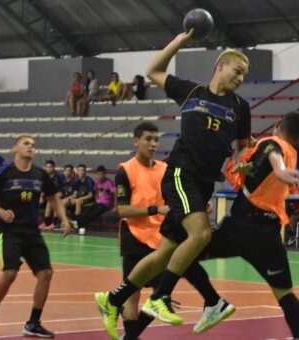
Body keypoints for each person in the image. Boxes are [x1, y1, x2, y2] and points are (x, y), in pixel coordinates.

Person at [94, 30, 251, 333]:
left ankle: (113, 299)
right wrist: (180, 41)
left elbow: (243, 146)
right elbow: (153, 71)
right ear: (220, 66)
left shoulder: (240, 107)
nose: (241, 77)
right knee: (202, 233)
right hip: (181, 173)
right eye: (238, 70)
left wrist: (242, 162)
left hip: (205, 182)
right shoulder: (191, 92)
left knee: (166, 251)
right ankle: (161, 296)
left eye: (244, 74)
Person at [96, 122, 235, 339]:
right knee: (132, 295)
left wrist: (195, 206)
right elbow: (122, 210)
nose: (153, 144)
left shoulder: (165, 169)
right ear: (136, 141)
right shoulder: (126, 170)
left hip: (159, 237)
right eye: (148, 139)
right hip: (134, 236)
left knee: (161, 295)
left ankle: (127, 330)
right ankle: (129, 333)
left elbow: (179, 196)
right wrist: (155, 209)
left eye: (156, 140)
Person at [194, 112, 299, 340]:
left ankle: (212, 301)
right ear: (298, 138)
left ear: (277, 125)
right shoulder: (291, 152)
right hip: (269, 236)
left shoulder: (272, 145)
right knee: (285, 295)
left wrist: (281, 172)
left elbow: (275, 161)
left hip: (242, 227)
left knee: (185, 256)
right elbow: (270, 162)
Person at [0, 134, 71, 338]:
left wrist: (64, 218)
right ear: (15, 149)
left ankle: (33, 323)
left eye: (33, 145)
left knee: (46, 273)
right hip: (10, 231)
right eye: (26, 144)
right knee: (10, 273)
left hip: (32, 232)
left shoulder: (40, 174)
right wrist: (0, 212)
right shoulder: (3, 172)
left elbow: (53, 198)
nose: (31, 147)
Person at [76, 165, 114, 230]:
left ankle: (80, 225)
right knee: (87, 210)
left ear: (105, 174)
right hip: (98, 202)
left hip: (107, 204)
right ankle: (77, 223)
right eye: (99, 174)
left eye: (102, 174)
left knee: (94, 213)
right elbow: (96, 191)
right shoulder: (96, 181)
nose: (101, 176)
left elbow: (114, 193)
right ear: (96, 174)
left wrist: (114, 206)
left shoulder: (109, 182)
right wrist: (97, 199)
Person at [40, 160, 65, 230]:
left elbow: (62, 190)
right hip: (48, 196)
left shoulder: (59, 176)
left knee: (51, 202)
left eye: (51, 167)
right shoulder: (44, 176)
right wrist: (41, 196)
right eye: (47, 167)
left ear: (54, 168)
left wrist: (57, 195)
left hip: (58, 195)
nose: (49, 168)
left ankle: (53, 223)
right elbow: (42, 188)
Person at [70, 164, 95, 230]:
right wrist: (71, 198)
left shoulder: (89, 181)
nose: (80, 172)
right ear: (77, 172)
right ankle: (59, 223)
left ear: (85, 172)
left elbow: (90, 195)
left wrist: (78, 199)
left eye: (82, 170)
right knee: (64, 202)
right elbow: (75, 194)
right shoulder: (77, 181)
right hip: (80, 199)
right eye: (79, 170)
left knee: (78, 201)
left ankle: (76, 223)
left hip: (89, 201)